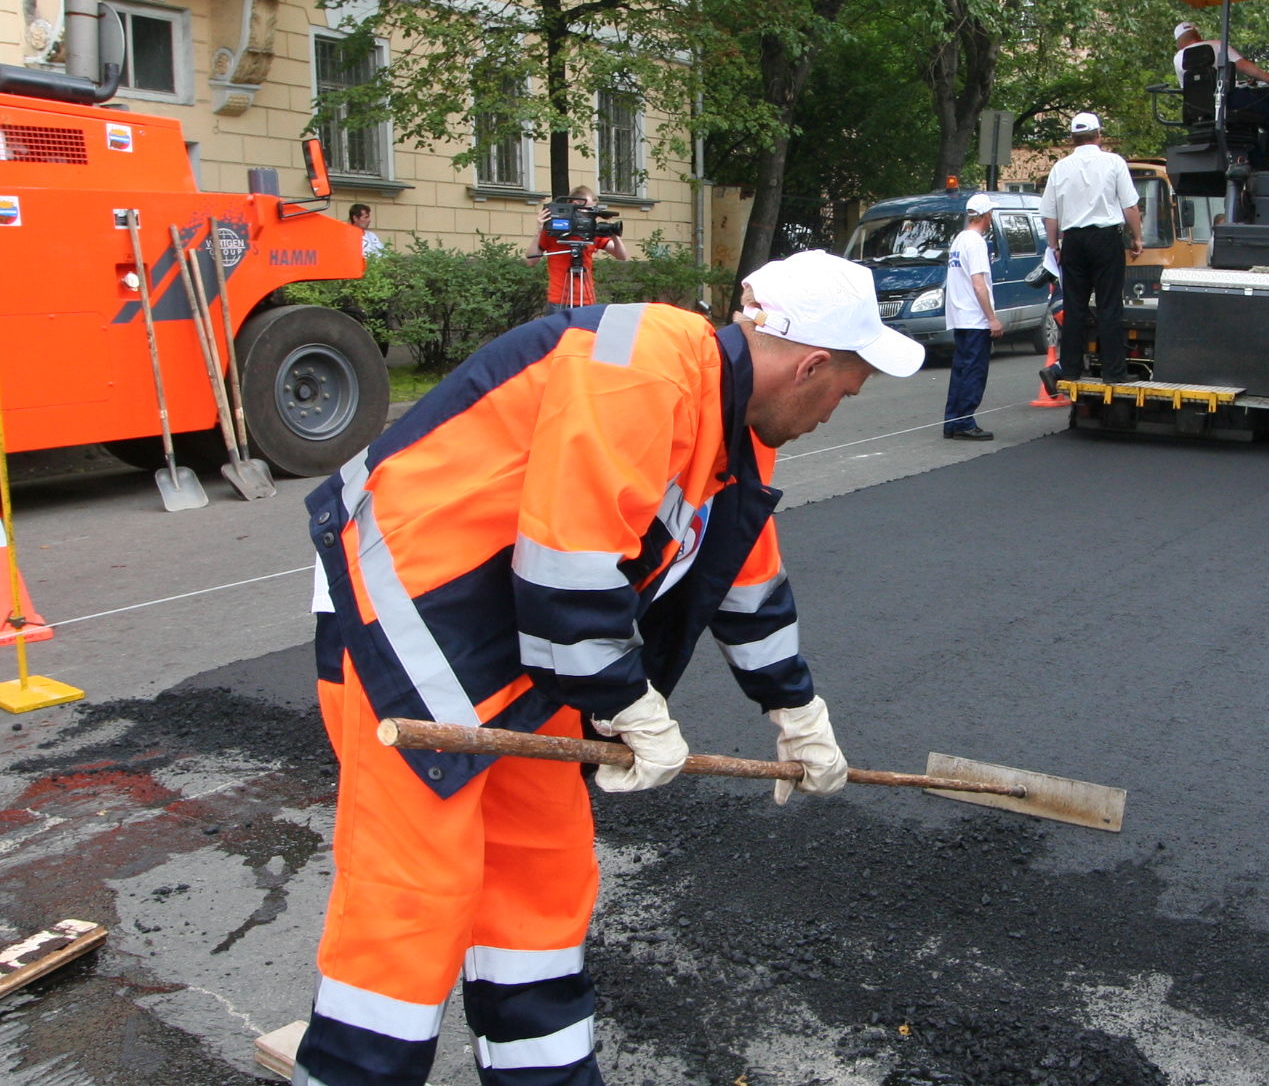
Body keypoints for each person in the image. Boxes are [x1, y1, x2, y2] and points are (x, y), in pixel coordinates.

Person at [293, 251, 922, 1086]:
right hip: (406, 623)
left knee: (544, 868)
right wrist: (632, 706)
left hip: (524, 644)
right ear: (810, 364)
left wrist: (797, 712)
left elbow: (744, 578)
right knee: (413, 895)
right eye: (843, 392)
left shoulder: (736, 426)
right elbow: (569, 562)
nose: (834, 414)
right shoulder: (642, 365)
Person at [1037, 113, 1141, 392]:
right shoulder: (1113, 162)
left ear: (1072, 139)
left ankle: (1070, 369)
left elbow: (1050, 216)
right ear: (1099, 135)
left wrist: (1054, 246)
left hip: (1073, 241)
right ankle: (1113, 372)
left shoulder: (1061, 168)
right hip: (1106, 239)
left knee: (1074, 307)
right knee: (1109, 305)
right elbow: (1130, 206)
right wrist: (1137, 238)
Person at [941, 195, 1005, 441]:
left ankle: (952, 420)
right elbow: (979, 284)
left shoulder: (959, 240)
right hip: (975, 318)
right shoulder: (977, 243)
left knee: (960, 370)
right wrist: (992, 318)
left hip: (960, 316)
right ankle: (965, 421)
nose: (991, 219)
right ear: (985, 215)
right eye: (990, 214)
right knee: (974, 372)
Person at [538, 185, 628, 308]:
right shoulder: (554, 231)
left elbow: (622, 255)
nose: (591, 214)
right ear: (576, 204)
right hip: (559, 300)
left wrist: (613, 233)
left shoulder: (591, 232)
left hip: (586, 300)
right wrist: (539, 231)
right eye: (589, 209)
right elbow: (531, 260)